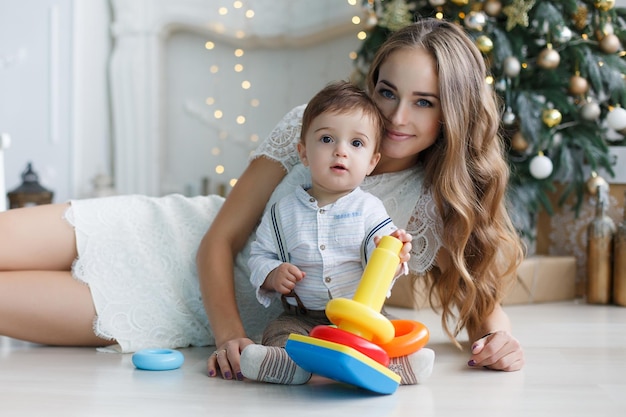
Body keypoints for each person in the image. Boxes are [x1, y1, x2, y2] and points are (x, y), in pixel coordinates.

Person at [0, 18, 524, 381]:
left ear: (453, 112)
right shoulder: (314, 124)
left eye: (423, 102)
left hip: (175, 313)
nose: (396, 116)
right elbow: (219, 240)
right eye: (387, 91)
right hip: (164, 235)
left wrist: (501, 342)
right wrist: (232, 337)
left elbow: (483, 308)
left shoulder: (438, 202)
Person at [240, 80, 434, 385]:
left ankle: (397, 364)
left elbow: (381, 256)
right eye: (327, 139)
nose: (340, 151)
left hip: (360, 316)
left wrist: (394, 252)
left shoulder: (370, 209)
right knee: (279, 334)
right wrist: (273, 274)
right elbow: (260, 254)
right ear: (304, 153)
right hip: (302, 316)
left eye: (356, 144)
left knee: (386, 330)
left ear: (371, 162)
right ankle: (285, 365)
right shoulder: (283, 211)